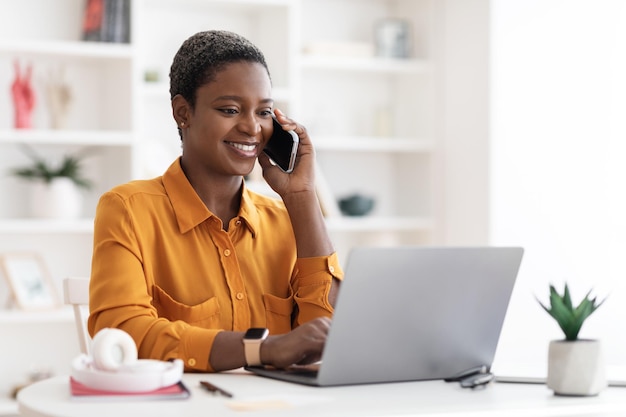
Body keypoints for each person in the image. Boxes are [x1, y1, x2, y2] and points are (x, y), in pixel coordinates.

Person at [87, 30, 343, 372]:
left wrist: (303, 198)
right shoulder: (128, 209)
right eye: (230, 109)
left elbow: (328, 340)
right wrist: (261, 349)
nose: (252, 127)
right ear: (183, 113)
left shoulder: (285, 220)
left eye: (264, 112)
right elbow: (121, 333)